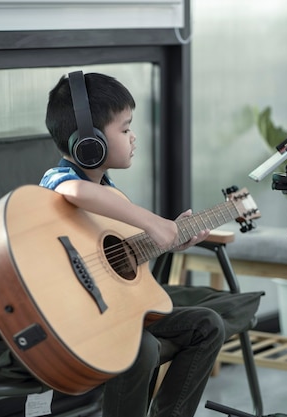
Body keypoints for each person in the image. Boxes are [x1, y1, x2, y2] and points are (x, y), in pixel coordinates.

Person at [40, 71, 226, 417]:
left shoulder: (109, 193)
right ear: (89, 143)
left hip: (113, 312)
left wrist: (167, 241)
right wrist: (155, 223)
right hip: (73, 320)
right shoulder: (59, 180)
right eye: (125, 129)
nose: (134, 137)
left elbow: (114, 257)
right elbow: (75, 191)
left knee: (208, 325)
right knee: (141, 348)